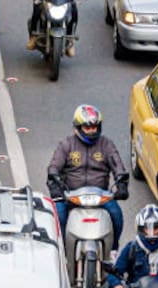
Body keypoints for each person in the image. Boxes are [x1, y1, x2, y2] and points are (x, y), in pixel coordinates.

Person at [46, 104, 128, 244]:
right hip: (71, 196)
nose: (91, 131)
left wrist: (122, 183)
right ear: (77, 127)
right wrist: (55, 185)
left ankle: (113, 250)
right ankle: (62, 251)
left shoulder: (106, 144)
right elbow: (54, 167)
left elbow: (117, 165)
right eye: (87, 128)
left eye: (94, 128)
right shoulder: (66, 145)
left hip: (100, 196)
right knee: (58, 216)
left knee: (116, 214)